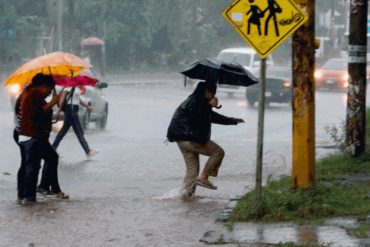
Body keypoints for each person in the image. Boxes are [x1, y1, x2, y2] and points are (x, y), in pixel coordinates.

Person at [166, 81, 245, 197]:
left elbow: (210, 117)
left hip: (181, 139)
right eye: (213, 93)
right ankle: (204, 177)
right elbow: (200, 117)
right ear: (207, 91)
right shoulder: (196, 102)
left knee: (192, 171)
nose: (214, 96)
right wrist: (210, 106)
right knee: (218, 152)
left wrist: (232, 120)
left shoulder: (197, 100)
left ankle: (185, 197)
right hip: (190, 137)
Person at [18, 73, 68, 204]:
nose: (49, 93)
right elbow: (40, 111)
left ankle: (36, 192)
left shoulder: (31, 93)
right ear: (43, 86)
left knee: (43, 161)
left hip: (32, 135)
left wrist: (55, 105)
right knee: (33, 166)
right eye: (49, 90)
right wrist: (53, 102)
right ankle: (29, 197)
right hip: (32, 136)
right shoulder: (33, 94)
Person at [52, 85, 97, 158]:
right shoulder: (68, 87)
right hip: (71, 110)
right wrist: (58, 111)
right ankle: (88, 151)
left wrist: (87, 106)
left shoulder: (76, 88)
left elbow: (78, 100)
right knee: (79, 131)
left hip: (74, 110)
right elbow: (62, 100)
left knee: (63, 131)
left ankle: (53, 149)